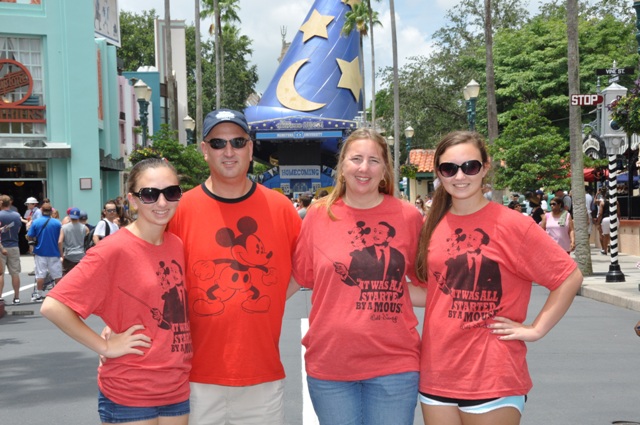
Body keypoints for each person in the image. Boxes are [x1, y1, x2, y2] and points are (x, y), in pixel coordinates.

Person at [414, 131, 583, 425]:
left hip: (493, 375)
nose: (460, 176)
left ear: (485, 167)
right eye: (449, 169)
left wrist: (536, 329)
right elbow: (437, 292)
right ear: (439, 173)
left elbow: (569, 276)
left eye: (470, 166)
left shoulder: (514, 225)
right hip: (437, 374)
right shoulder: (431, 224)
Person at [166, 108, 301, 425]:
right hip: (194, 377)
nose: (229, 151)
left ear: (250, 149)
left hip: (261, 377)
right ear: (204, 150)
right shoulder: (180, 209)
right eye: (218, 143)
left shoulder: (280, 208)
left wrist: (271, 295)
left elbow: (306, 266)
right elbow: (154, 275)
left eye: (238, 142)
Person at [41, 158, 191, 425]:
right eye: (150, 194)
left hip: (176, 387)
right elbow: (54, 306)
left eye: (171, 192)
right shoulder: (113, 249)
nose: (162, 202)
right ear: (133, 200)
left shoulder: (176, 244)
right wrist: (105, 347)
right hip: (129, 390)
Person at [290, 128, 424, 425]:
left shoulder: (409, 217)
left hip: (394, 363)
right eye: (356, 159)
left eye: (374, 160)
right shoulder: (318, 215)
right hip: (330, 364)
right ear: (342, 166)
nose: (364, 168)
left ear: (385, 169)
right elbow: (299, 277)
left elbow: (429, 287)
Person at [26, 202, 62, 302]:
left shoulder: (36, 222)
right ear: (51, 211)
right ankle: (59, 294)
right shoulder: (57, 223)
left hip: (40, 252)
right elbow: (61, 238)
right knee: (57, 275)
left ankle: (38, 294)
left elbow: (30, 235)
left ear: (41, 211)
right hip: (54, 252)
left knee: (40, 274)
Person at [0, 195, 23, 304]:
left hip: (1, 246)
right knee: (15, 273)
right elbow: (18, 230)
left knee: (0, 274)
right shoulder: (16, 215)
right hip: (13, 245)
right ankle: (16, 297)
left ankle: (0, 297)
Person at [58, 207, 89, 275]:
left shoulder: (64, 228)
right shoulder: (85, 228)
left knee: (68, 276)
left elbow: (60, 242)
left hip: (68, 256)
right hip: (81, 255)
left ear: (69, 216)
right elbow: (88, 242)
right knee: (80, 276)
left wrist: (62, 255)